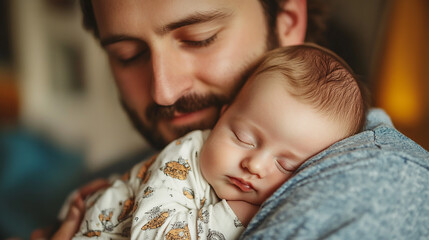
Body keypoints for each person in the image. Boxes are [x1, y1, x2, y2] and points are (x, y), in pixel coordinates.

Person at [32, 0, 429, 239]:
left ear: (287, 20)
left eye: (200, 37)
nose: (163, 91)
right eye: (127, 56)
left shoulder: (378, 187)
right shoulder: (153, 161)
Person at [72, 44, 368, 239]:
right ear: (222, 118)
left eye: (287, 166)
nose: (254, 165)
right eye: (243, 138)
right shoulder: (184, 157)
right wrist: (234, 214)